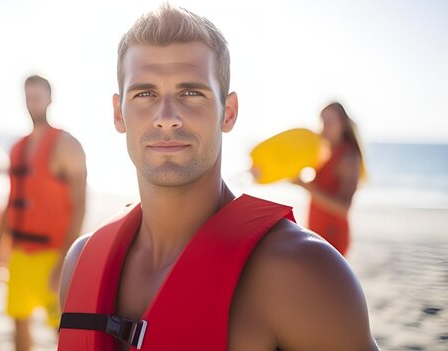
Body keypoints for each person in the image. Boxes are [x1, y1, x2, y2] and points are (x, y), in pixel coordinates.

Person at [58, 5, 379, 351]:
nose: (167, 118)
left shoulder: (305, 273)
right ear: (118, 115)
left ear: (228, 112)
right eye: (145, 94)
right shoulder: (80, 263)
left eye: (191, 93)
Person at [0, 75, 87, 351]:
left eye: (37, 96)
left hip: (53, 254)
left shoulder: (66, 145)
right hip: (20, 253)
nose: (32, 102)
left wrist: (64, 262)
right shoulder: (17, 148)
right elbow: (11, 202)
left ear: (50, 98)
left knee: (63, 330)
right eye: (28, 96)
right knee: (18, 322)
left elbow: (79, 206)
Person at [293, 102, 363, 256]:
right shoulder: (324, 152)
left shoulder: (348, 157)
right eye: (322, 121)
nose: (325, 127)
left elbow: (343, 208)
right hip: (316, 233)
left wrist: (305, 186)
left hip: (333, 235)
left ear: (343, 125)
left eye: (330, 122)